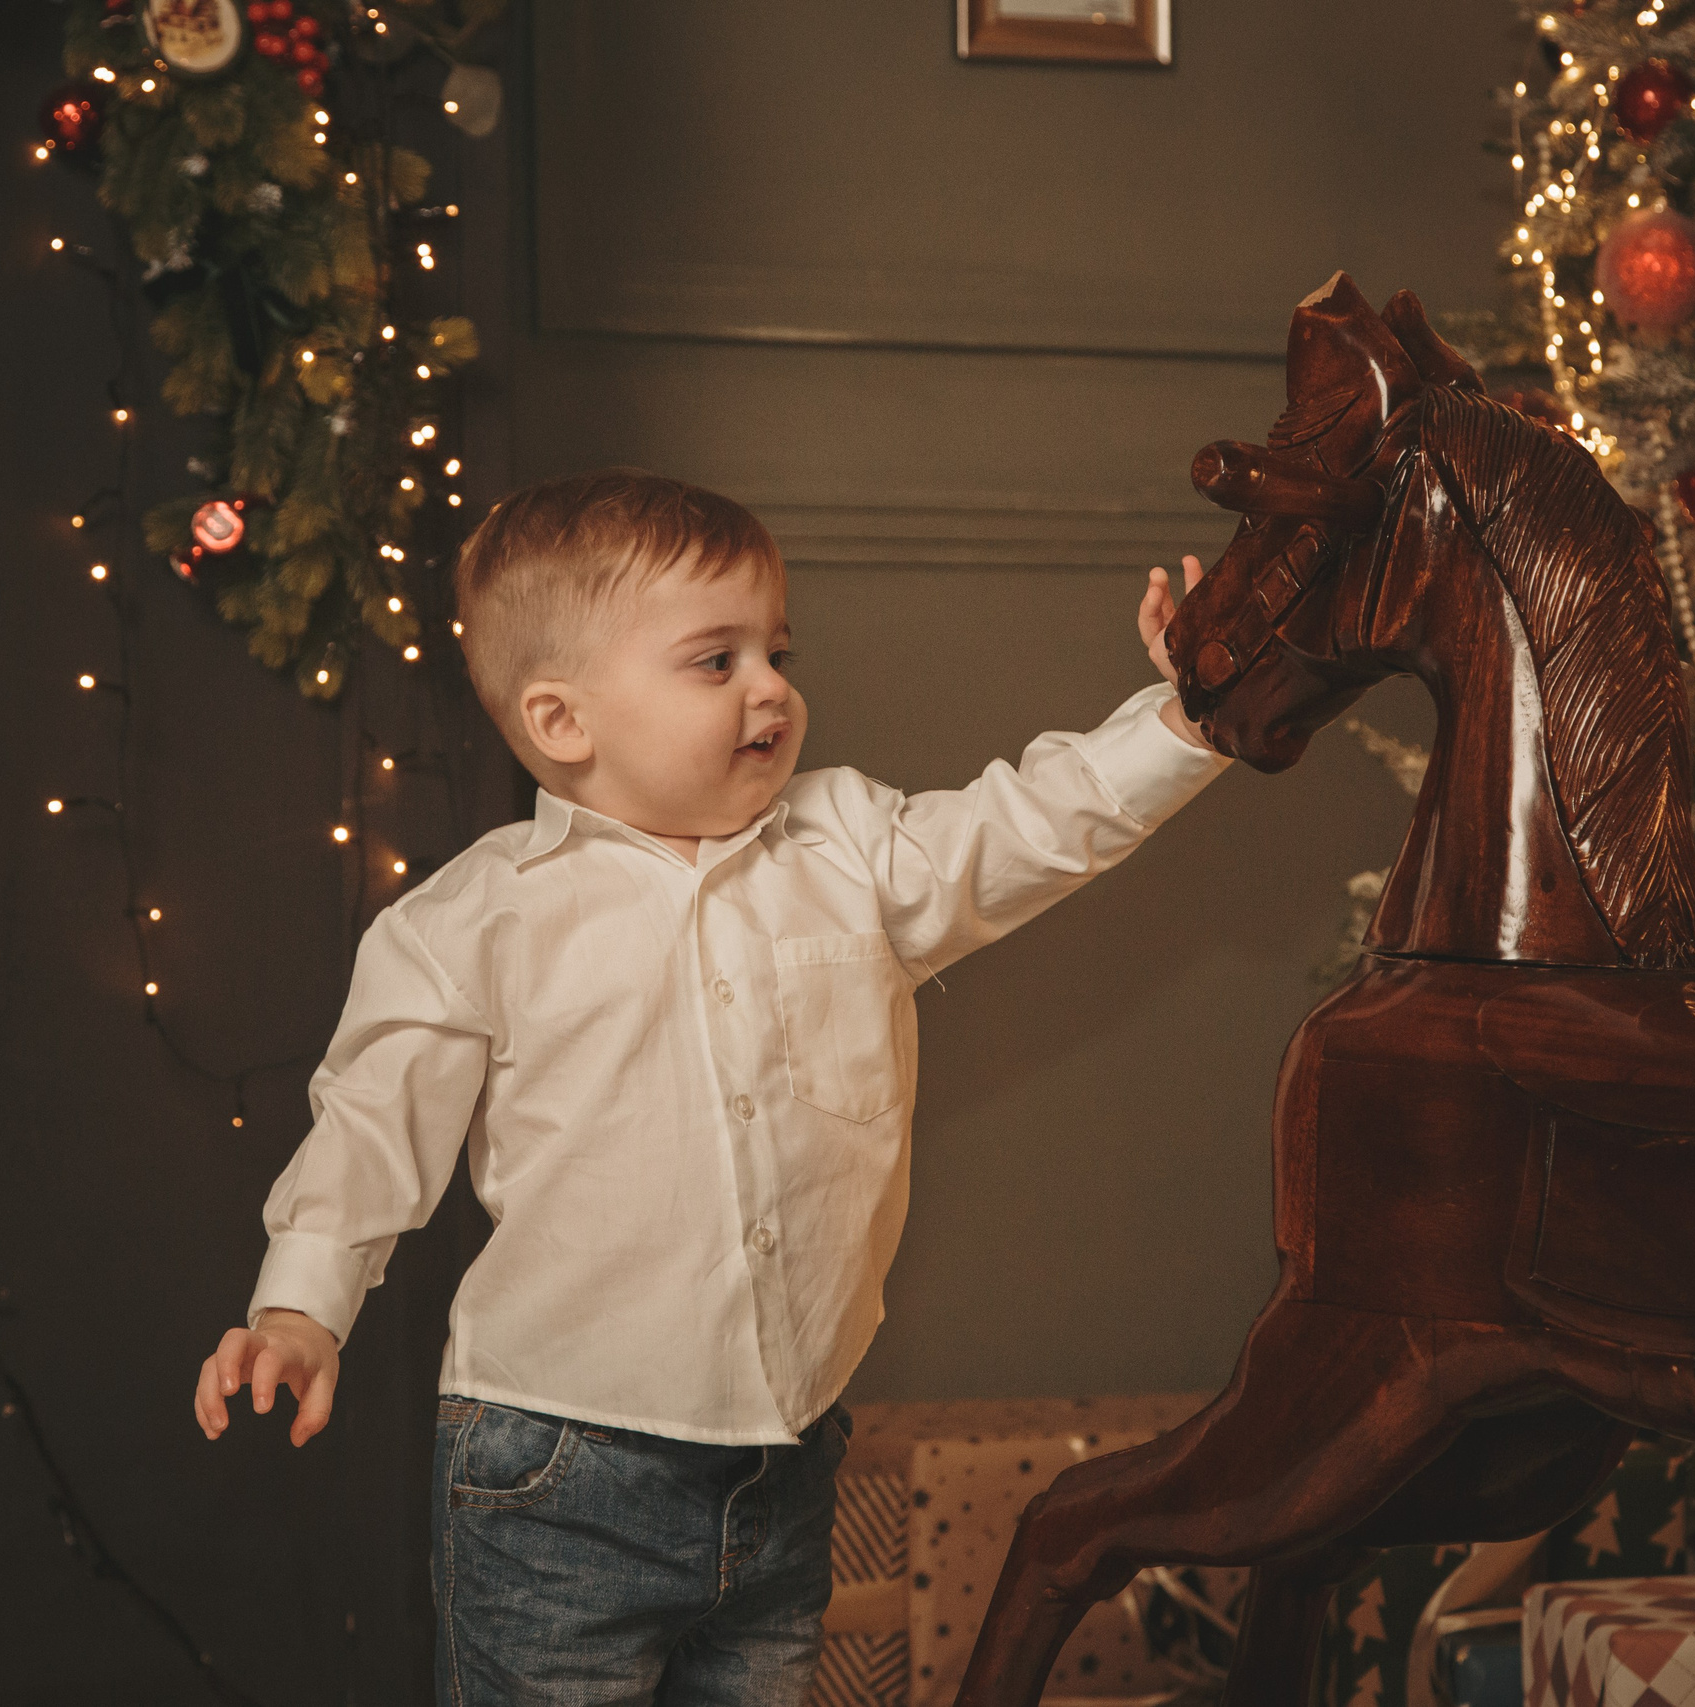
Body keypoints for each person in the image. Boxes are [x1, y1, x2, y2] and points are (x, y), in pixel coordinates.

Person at [191, 469, 1227, 1705]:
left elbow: (1032, 823)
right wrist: (303, 1305)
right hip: (555, 1473)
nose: (771, 687)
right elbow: (371, 1126)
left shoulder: (852, 847)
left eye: (774, 649)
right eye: (714, 661)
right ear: (564, 721)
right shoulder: (473, 920)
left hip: (784, 1463)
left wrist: (1185, 717)